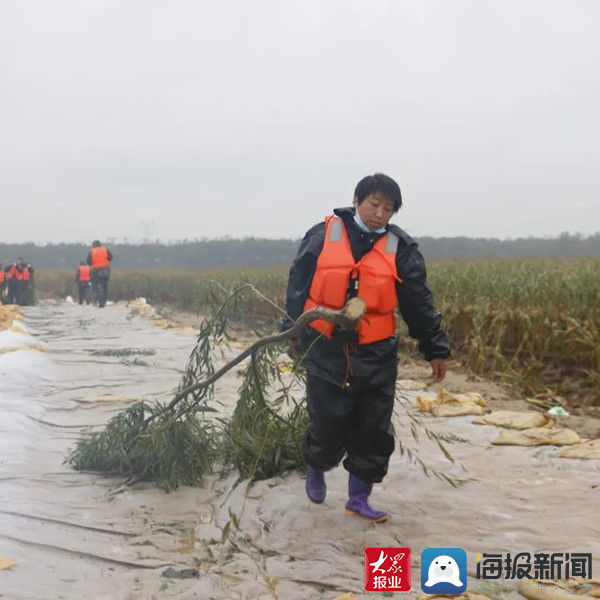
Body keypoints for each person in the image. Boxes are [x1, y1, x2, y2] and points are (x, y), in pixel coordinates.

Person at [281, 173, 450, 522]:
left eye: (388, 209)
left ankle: (358, 500)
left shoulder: (401, 249)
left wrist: (434, 347)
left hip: (376, 354)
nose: (379, 213)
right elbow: (298, 284)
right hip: (325, 347)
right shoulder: (322, 235)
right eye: (374, 204)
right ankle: (316, 466)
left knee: (373, 429)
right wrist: (291, 331)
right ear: (357, 200)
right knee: (328, 423)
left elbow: (418, 301)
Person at [87, 240, 113, 308]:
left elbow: (88, 262)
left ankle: (100, 302)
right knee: (105, 287)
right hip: (106, 271)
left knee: (97, 287)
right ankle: (104, 302)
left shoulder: (92, 251)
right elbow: (111, 257)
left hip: (96, 271)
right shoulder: (105, 250)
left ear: (94, 245)